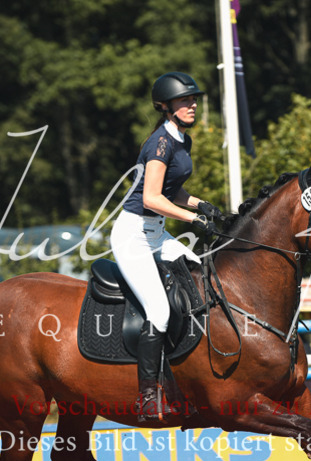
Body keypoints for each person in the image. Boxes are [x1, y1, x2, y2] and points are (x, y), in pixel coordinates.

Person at [111, 71, 224, 421]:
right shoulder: (160, 143)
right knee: (158, 311)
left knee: (201, 280)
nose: (192, 105)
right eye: (184, 101)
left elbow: (171, 189)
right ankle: (148, 395)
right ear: (165, 106)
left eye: (193, 100)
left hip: (157, 235)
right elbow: (151, 197)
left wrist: (201, 205)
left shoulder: (181, 140)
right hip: (134, 237)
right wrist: (192, 221)